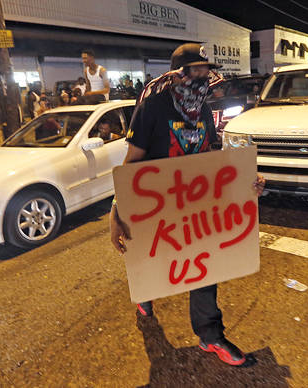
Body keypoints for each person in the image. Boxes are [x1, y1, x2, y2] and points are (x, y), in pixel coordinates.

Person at [109, 43, 265, 367]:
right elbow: (131, 163)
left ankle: (210, 334)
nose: (204, 75)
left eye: (206, 69)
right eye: (197, 69)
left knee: (204, 263)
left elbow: (212, 156)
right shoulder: (152, 106)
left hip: (193, 204)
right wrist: (117, 212)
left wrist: (246, 180)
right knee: (151, 262)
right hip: (154, 204)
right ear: (180, 73)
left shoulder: (203, 110)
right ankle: (145, 293)